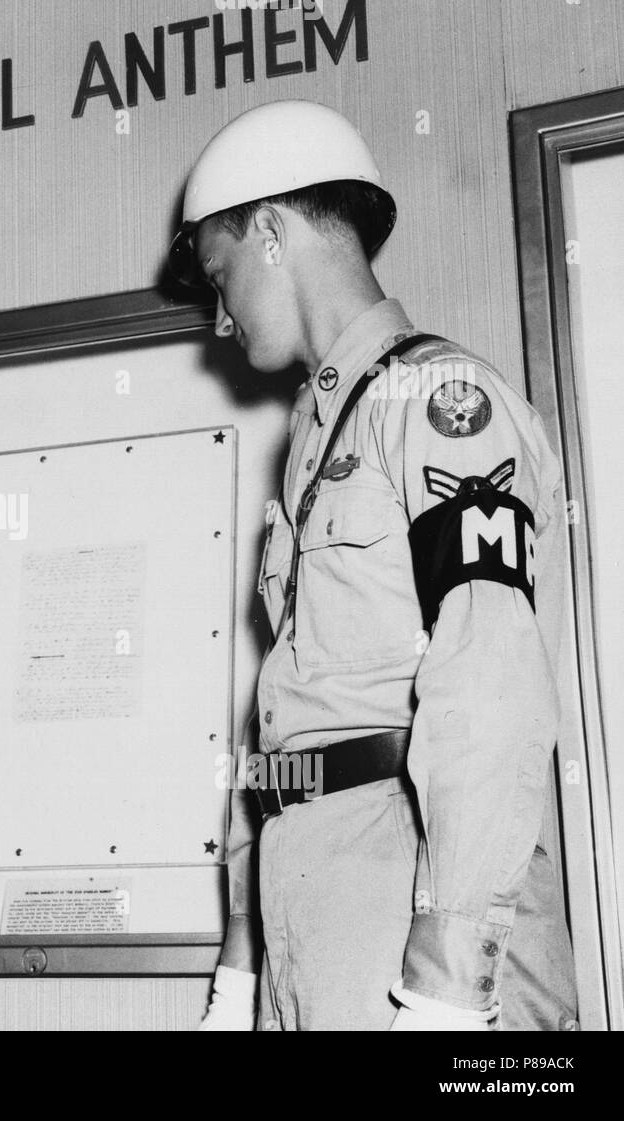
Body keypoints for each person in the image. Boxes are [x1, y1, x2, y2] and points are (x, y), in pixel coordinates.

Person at [169, 101, 579, 1031]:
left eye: (220, 275)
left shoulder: (439, 401)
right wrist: (240, 972)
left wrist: (443, 988)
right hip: (320, 933)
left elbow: (491, 688)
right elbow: (287, 731)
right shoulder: (320, 440)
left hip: (427, 934)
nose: (222, 319)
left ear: (270, 230)